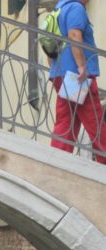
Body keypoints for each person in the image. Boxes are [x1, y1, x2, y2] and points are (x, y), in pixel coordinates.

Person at [48, 0, 106, 164]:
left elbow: (48, 45)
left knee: (66, 121)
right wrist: (81, 66)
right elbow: (74, 35)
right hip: (77, 77)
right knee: (94, 118)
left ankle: (55, 162)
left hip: (61, 74)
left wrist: (56, 68)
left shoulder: (58, 10)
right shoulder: (76, 8)